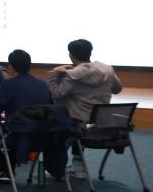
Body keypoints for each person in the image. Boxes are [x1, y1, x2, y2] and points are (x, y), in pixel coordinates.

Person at [48, 38, 123, 178]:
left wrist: (55, 73)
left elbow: (56, 94)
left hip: (79, 124)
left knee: (58, 122)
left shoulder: (72, 75)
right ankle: (78, 166)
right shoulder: (107, 69)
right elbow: (117, 89)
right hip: (103, 124)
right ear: (90, 52)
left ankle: (57, 168)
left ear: (70, 55)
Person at [0, 49, 55, 182]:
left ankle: (4, 170)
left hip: (18, 135)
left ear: (11, 66)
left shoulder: (8, 85)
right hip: (44, 136)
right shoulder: (43, 85)